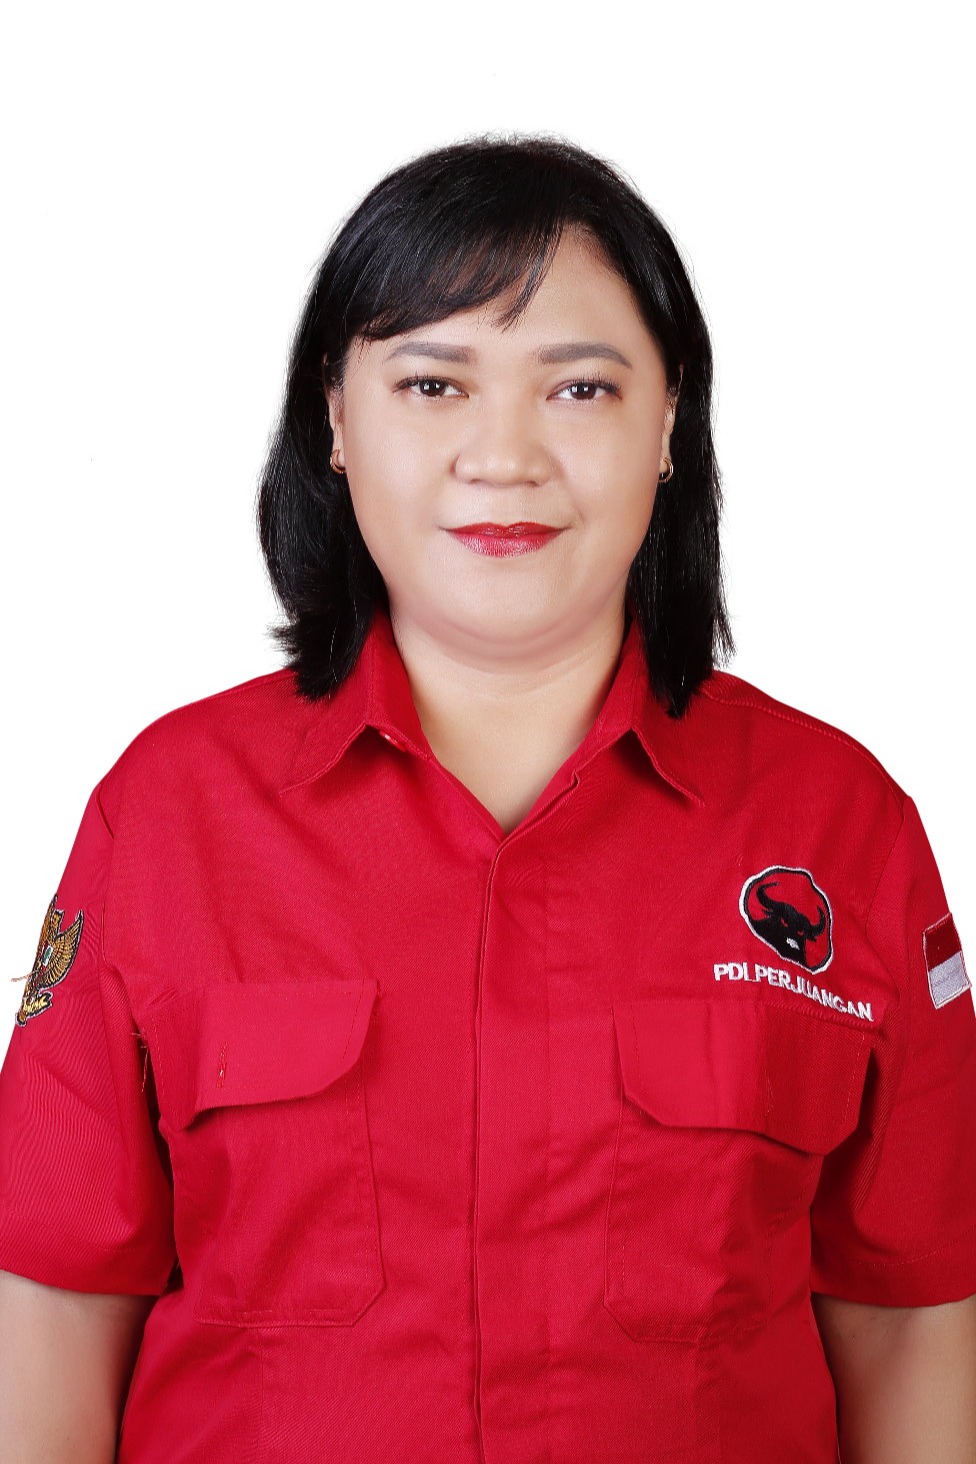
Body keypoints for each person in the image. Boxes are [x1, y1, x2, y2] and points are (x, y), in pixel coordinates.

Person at [1, 132, 974, 1464]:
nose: (503, 456)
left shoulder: (838, 821)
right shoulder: (168, 813)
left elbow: (910, 1314)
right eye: (432, 384)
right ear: (334, 420)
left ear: (669, 423)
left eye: (579, 388)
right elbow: (57, 1298)